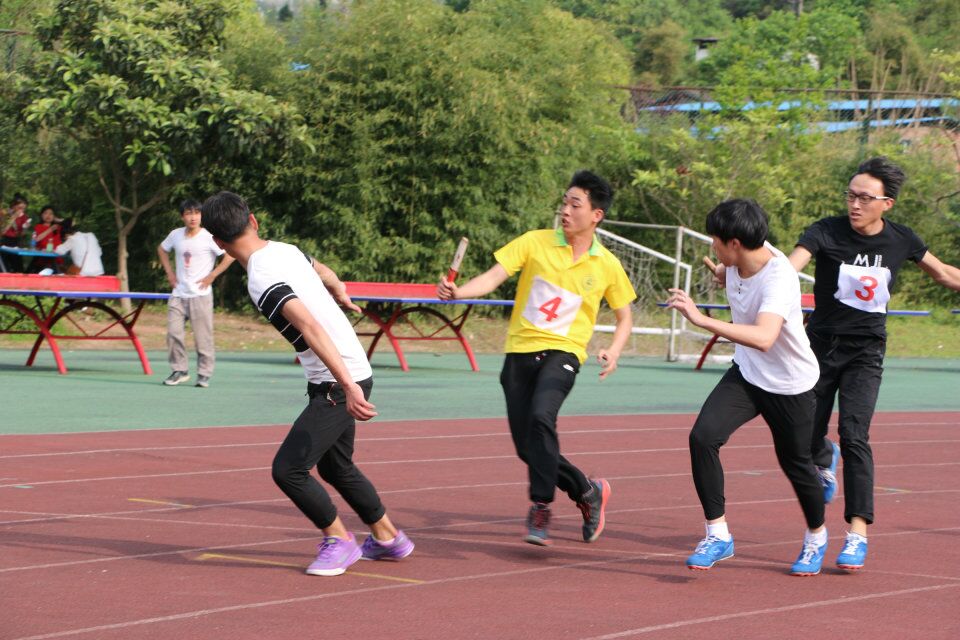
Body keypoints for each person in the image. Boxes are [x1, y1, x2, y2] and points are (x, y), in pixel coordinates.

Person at [200, 190, 414, 576]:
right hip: (348, 371)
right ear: (253, 221)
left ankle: (339, 541)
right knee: (336, 468)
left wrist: (347, 386)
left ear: (217, 243)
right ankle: (388, 538)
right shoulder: (286, 250)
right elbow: (324, 270)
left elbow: (309, 326)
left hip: (338, 379)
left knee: (289, 470)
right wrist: (340, 290)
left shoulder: (260, 278)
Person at [437, 170, 636, 547]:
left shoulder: (606, 264)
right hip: (519, 353)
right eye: (564, 202)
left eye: (575, 204)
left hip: (564, 352)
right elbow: (493, 277)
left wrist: (614, 350)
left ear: (596, 215)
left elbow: (624, 316)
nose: (565, 210)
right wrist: (459, 292)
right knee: (528, 448)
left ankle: (540, 505)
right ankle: (587, 491)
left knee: (543, 416)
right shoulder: (534, 242)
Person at [788, 157, 960, 570]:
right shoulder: (825, 231)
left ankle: (857, 533)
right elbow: (787, 268)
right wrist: (739, 273)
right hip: (819, 347)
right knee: (801, 436)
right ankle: (821, 455)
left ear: (887, 203)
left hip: (865, 351)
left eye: (865, 198)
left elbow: (943, 274)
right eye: (850, 196)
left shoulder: (902, 239)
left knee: (855, 435)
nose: (855, 204)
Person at [670, 199, 827, 576]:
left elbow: (764, 337)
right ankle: (718, 534)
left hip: (789, 384)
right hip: (748, 374)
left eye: (715, 241)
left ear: (736, 243)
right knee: (703, 437)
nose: (712, 246)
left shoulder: (779, 277)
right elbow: (737, 274)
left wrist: (701, 319)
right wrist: (724, 273)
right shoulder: (739, 258)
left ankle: (817, 536)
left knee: (796, 464)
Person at [157, 199, 236, 388]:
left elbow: (230, 255)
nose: (193, 217)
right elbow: (161, 249)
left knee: (203, 338)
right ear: (182, 216)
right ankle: (179, 370)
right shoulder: (176, 235)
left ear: (202, 216)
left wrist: (212, 275)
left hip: (200, 294)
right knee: (173, 333)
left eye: (197, 213)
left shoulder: (209, 237)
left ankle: (204, 374)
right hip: (178, 294)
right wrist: (169, 273)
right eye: (188, 213)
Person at [30, 205, 64, 273]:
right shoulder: (38, 226)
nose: (48, 215)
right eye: (45, 213)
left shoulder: (58, 227)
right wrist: (50, 229)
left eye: (51, 214)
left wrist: (58, 220)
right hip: (42, 259)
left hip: (57, 259)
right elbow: (36, 239)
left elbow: (72, 223)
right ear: (41, 215)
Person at [2, 194, 31, 272]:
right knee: (4, 265)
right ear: (14, 206)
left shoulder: (24, 217)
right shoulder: (6, 213)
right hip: (4, 241)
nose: (21, 210)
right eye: (20, 208)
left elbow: (22, 234)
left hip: (16, 242)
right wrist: (14, 216)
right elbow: (3, 230)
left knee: (18, 266)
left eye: (24, 208)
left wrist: (25, 228)